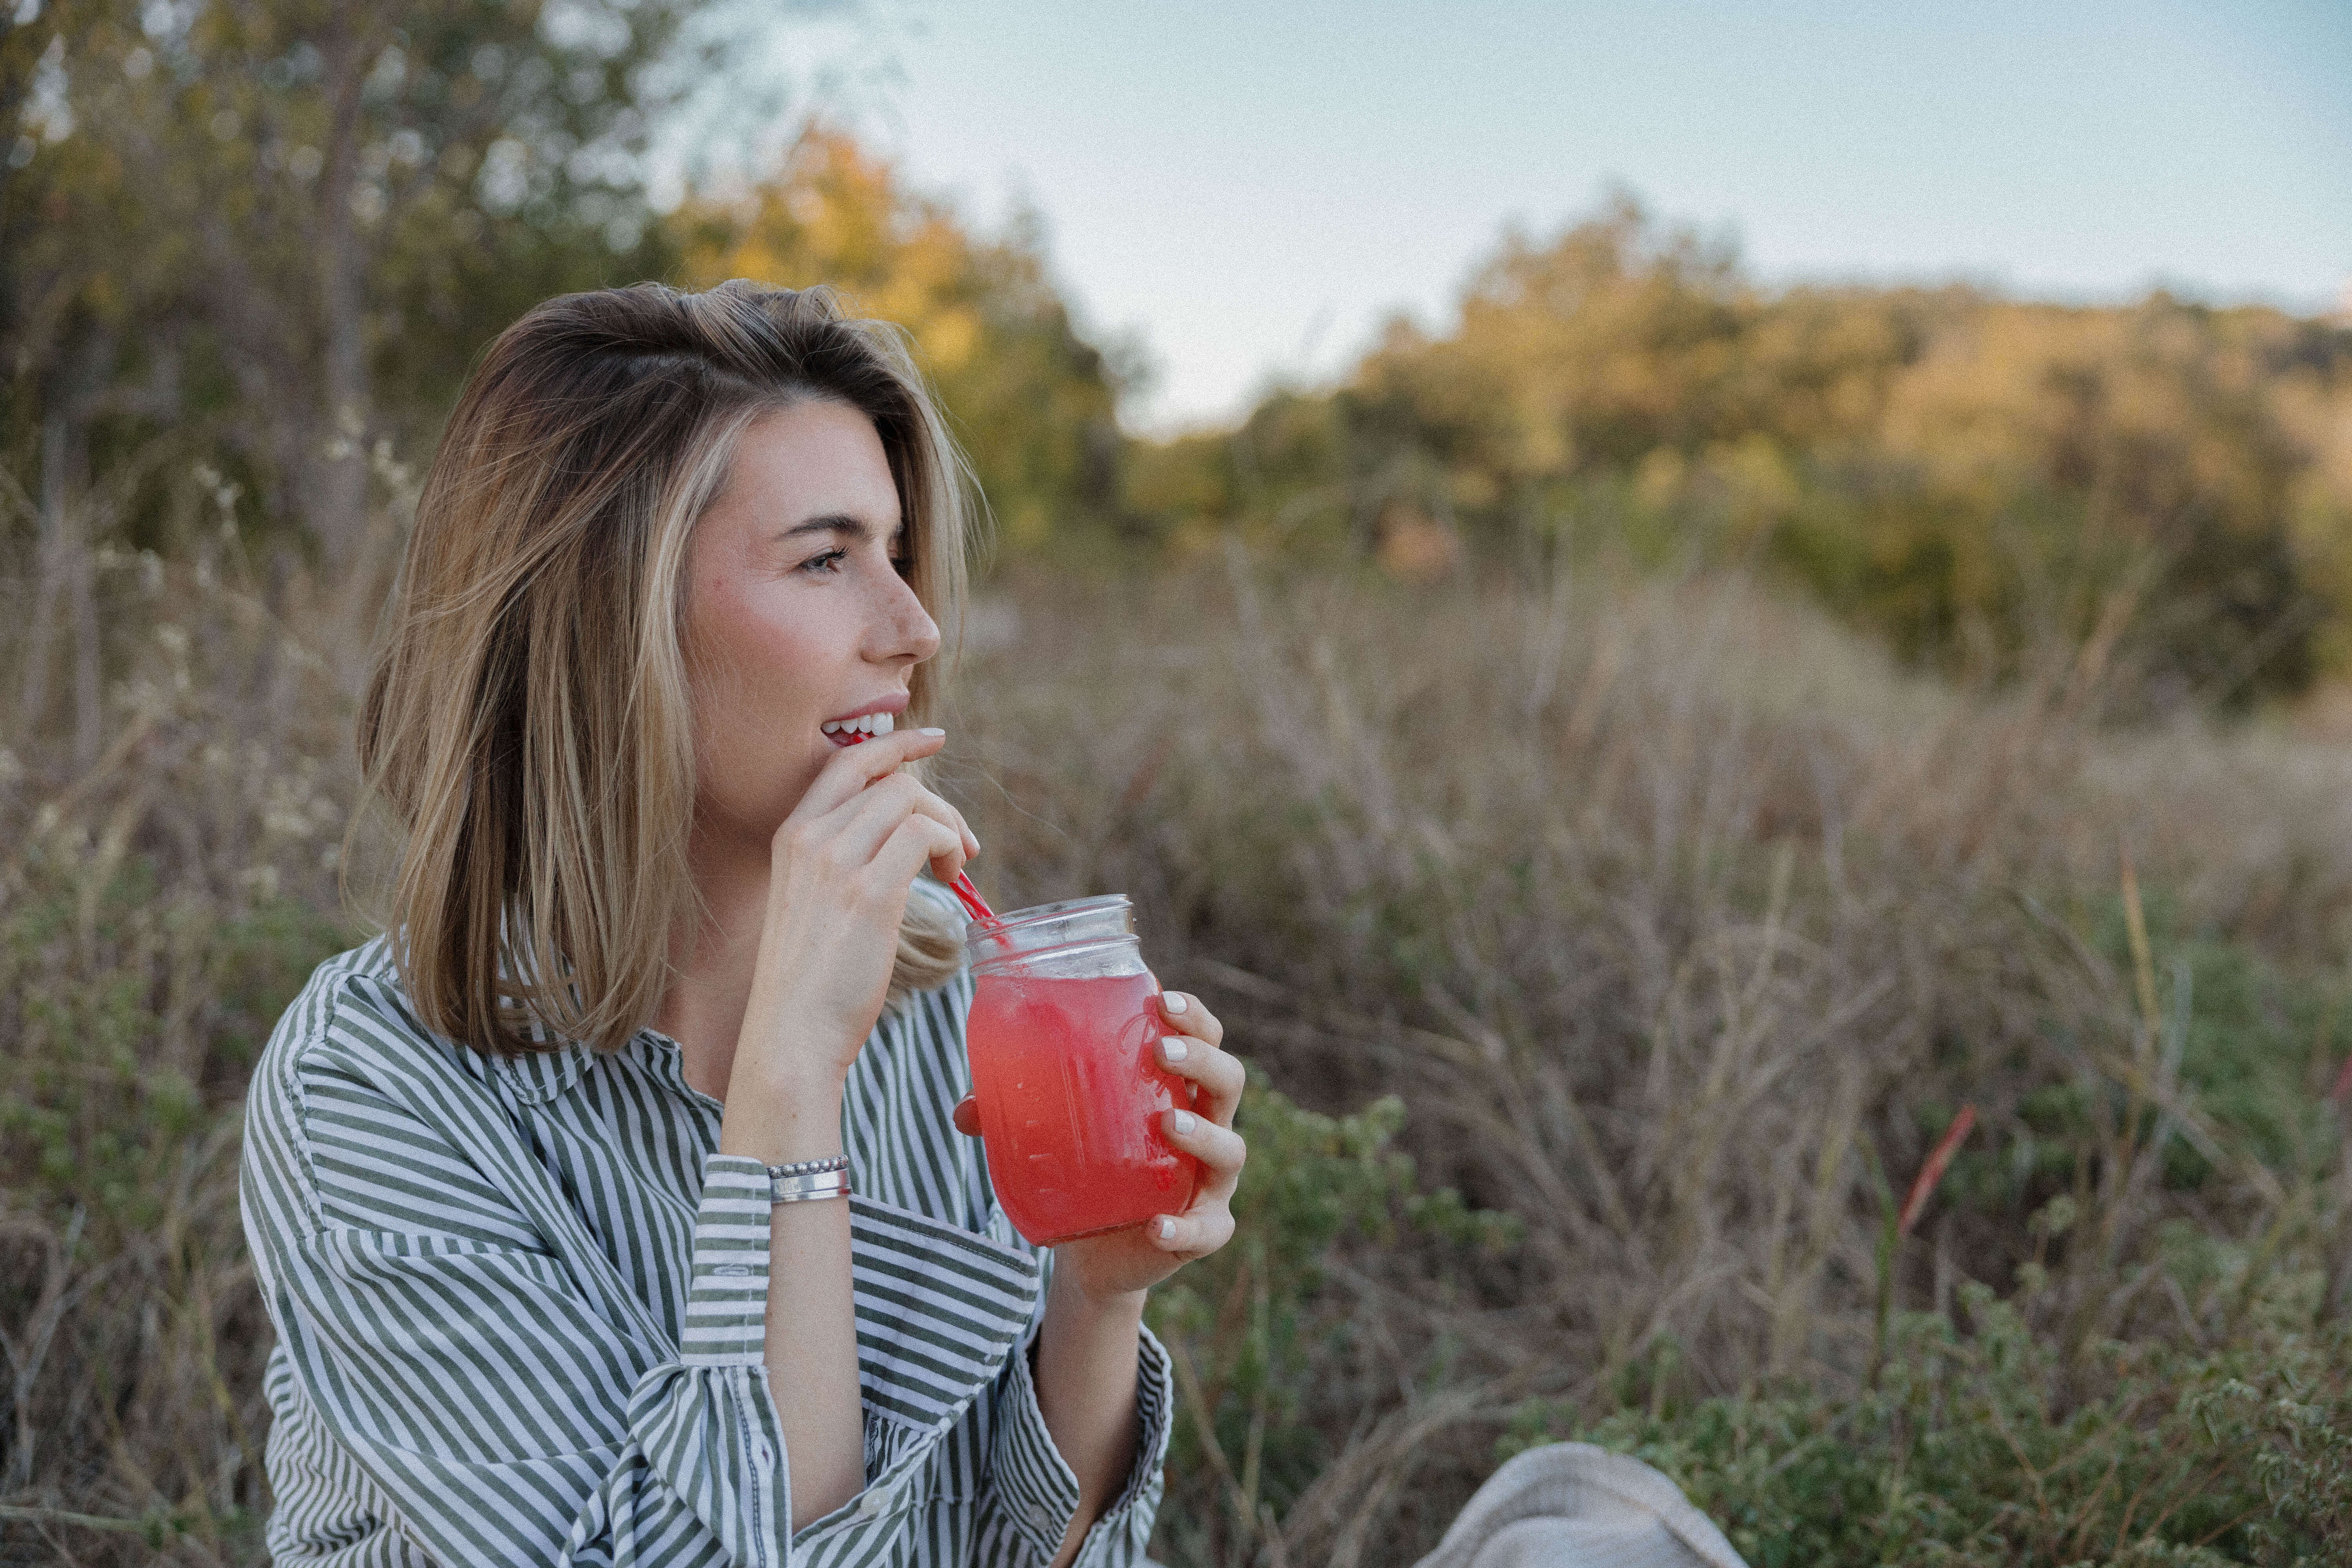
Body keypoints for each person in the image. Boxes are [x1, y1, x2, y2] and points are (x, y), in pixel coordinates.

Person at [238, 280, 1250, 1568]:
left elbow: (1019, 1551)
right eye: (827, 559)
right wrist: (787, 1085)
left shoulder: (950, 1012)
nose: (915, 628)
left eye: (898, 554)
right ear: (617, 621)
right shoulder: (374, 1085)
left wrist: (1098, 1299)